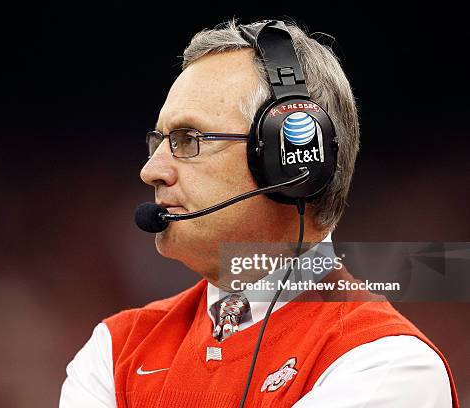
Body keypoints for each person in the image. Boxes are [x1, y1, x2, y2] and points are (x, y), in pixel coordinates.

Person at [60, 19, 459, 407]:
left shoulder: (388, 365)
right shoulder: (114, 350)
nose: (152, 170)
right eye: (159, 141)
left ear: (291, 161)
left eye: (188, 140)